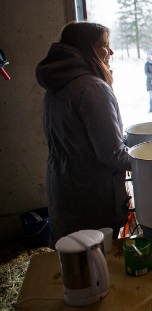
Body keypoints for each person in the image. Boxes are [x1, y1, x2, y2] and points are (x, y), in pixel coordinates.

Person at [36, 21, 131, 247]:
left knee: (73, 258)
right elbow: (112, 154)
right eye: (104, 46)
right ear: (87, 48)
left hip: (65, 185)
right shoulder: (92, 88)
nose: (111, 52)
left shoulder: (58, 83)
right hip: (93, 196)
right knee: (98, 261)